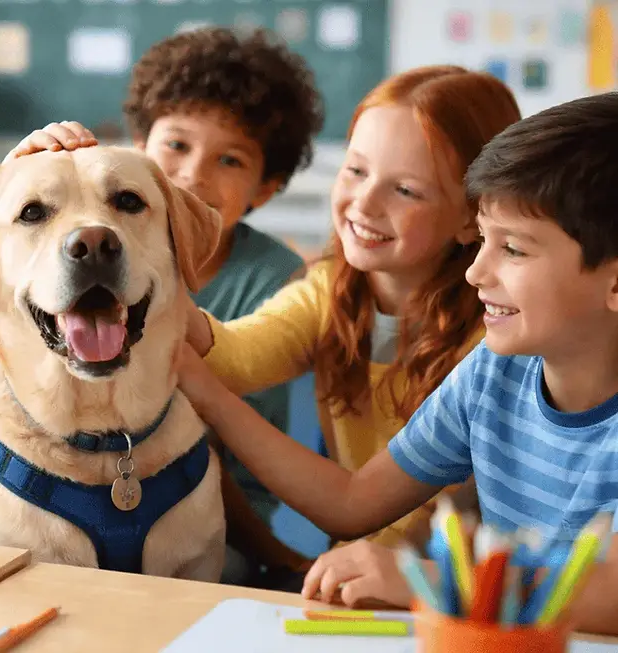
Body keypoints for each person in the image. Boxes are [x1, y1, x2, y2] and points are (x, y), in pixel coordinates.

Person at [177, 92, 618, 635]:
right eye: (484, 239)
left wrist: (421, 578)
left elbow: (610, 593)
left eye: (515, 249)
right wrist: (205, 387)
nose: (477, 272)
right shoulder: (493, 373)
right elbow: (354, 502)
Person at [1, 26, 325, 586]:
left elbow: (224, 450)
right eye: (176, 145)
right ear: (139, 145)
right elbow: (8, 377)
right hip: (66, 497)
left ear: (265, 189)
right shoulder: (80, 248)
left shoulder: (270, 278)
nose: (194, 174)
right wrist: (17, 192)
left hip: (214, 514)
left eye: (230, 160)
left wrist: (276, 557)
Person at [177, 65, 521, 573]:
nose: (364, 202)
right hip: (359, 570)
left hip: (450, 587)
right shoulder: (329, 291)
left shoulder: (495, 339)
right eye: (355, 171)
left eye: (406, 190)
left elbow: (417, 517)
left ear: (473, 218)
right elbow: (233, 354)